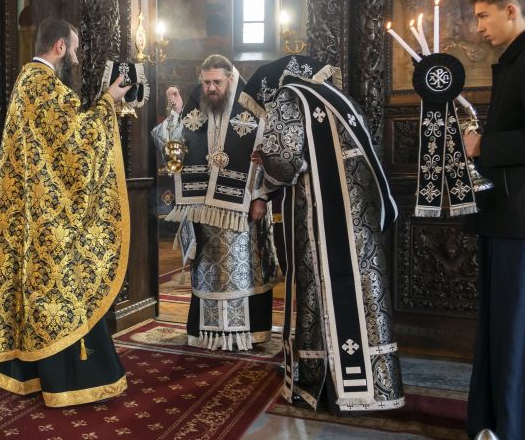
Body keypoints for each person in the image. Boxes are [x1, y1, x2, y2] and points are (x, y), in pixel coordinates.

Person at [0, 18, 132, 407]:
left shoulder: (25, 83)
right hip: (48, 216)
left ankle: (26, 375)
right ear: (60, 46)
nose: (75, 56)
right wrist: (108, 102)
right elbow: (76, 148)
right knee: (62, 284)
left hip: (28, 210)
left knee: (30, 284)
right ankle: (69, 380)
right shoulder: (45, 87)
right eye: (73, 48)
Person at [252, 55, 404, 412]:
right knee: (364, 290)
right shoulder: (339, 97)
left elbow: (285, 161)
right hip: (360, 213)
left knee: (320, 289)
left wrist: (265, 160)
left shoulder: (290, 97)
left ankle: (328, 384)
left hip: (322, 214)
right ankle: (378, 385)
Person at [151, 54, 280, 351]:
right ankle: (211, 333)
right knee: (209, 273)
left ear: (231, 79)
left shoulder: (252, 107)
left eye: (217, 82)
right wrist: (175, 112)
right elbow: (171, 153)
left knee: (243, 271)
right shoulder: (195, 108)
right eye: (206, 82)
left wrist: (261, 197)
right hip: (204, 211)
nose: (210, 88)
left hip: (242, 210)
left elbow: (266, 153)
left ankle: (247, 333)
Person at [463, 0, 525, 440]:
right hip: (502, 215)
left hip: (518, 219)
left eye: (484, 16)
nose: (479, 26)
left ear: (511, 10)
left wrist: (483, 144)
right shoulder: (512, 60)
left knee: (512, 329)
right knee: (498, 328)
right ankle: (493, 422)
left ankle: (509, 425)